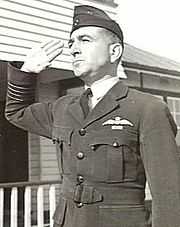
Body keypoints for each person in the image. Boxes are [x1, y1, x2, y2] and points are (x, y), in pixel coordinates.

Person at [5, 4, 180, 227]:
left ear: (114, 51)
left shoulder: (147, 109)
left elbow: (169, 193)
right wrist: (27, 71)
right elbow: (16, 112)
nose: (74, 49)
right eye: (71, 43)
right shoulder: (63, 108)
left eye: (85, 40)